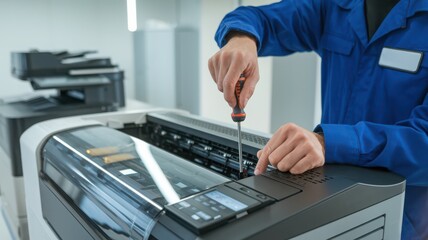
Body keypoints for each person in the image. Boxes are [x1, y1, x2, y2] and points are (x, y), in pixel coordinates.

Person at [208, 0, 428, 239]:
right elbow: (262, 19)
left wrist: (327, 143)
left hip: (402, 221)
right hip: (330, 205)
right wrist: (242, 38)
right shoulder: (334, 6)